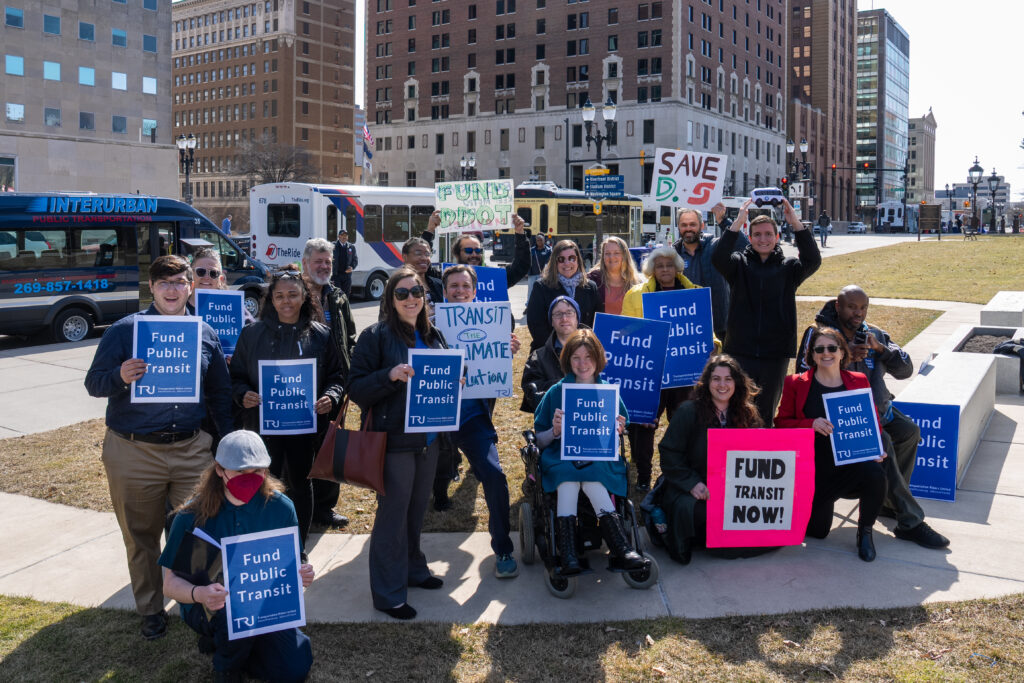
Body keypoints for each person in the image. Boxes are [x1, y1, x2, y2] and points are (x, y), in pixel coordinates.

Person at [84, 254, 233, 640]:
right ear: (150, 287)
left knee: (199, 531)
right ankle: (151, 608)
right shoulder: (124, 330)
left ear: (191, 287)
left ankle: (198, 603)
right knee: (141, 535)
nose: (172, 289)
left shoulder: (205, 333)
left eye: (180, 281)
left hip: (190, 449)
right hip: (134, 451)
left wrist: (227, 443)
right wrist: (119, 376)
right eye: (163, 282)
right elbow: (94, 383)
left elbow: (219, 394)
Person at [798, 285, 949, 549]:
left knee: (909, 431)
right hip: (844, 418)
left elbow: (905, 370)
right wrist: (840, 360)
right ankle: (911, 521)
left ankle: (888, 503)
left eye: (863, 307)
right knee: (883, 443)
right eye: (851, 307)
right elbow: (803, 375)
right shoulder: (820, 335)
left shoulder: (873, 333)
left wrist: (882, 350)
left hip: (881, 410)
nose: (858, 313)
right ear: (838, 306)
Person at [159, 430, 314, 682]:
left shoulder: (280, 508)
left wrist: (302, 572)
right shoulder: (191, 516)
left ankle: (237, 644)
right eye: (241, 471)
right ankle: (226, 667)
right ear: (219, 470)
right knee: (236, 613)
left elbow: (291, 562)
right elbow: (170, 584)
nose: (251, 478)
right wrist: (200, 595)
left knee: (293, 669)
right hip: (210, 604)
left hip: (263, 605)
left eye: (258, 470)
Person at [348, 266, 449, 620]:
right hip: (394, 441)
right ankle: (388, 594)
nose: (411, 299)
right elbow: (357, 388)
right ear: (390, 300)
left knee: (415, 512)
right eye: (402, 293)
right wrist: (389, 376)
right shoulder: (374, 336)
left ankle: (413, 570)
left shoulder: (434, 335)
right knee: (392, 517)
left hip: (429, 440)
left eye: (416, 292)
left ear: (425, 297)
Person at [229, 268, 346, 549]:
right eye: (279, 295)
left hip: (304, 428)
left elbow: (337, 377)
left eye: (293, 294)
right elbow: (235, 377)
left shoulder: (320, 335)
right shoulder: (251, 334)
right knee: (262, 485)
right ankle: (265, 545)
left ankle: (299, 547)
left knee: (300, 486)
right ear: (271, 299)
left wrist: (331, 395)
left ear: (304, 297)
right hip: (262, 426)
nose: (286, 301)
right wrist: (243, 394)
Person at [533, 330, 644, 575]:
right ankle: (569, 551)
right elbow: (538, 440)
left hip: (598, 457)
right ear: (567, 360)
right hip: (561, 456)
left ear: (598, 359)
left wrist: (617, 430)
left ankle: (620, 547)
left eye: (588, 357)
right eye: (576, 358)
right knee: (568, 478)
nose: (582, 364)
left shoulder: (608, 392)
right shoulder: (556, 392)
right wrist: (554, 430)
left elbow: (620, 434)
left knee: (592, 476)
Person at [435, 264, 521, 578]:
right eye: (453, 287)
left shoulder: (491, 322)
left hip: (471, 419)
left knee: (495, 476)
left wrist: (506, 350)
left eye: (464, 287)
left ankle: (503, 549)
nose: (459, 292)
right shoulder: (429, 324)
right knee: (410, 486)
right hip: (432, 418)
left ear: (474, 291)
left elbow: (491, 362)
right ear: (444, 291)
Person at [775, 325, 887, 562]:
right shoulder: (796, 383)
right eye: (820, 349)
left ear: (842, 352)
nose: (827, 353)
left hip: (848, 465)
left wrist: (875, 448)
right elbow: (781, 423)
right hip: (815, 470)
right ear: (812, 355)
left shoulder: (858, 380)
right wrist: (810, 424)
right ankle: (813, 506)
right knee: (818, 532)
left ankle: (865, 532)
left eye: (832, 347)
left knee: (875, 472)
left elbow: (871, 419)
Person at [712, 199, 821, 426]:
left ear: (777, 237)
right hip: (741, 351)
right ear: (750, 238)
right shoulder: (738, 264)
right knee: (736, 409)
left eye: (769, 234)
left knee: (765, 413)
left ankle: (760, 455)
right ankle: (735, 455)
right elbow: (718, 258)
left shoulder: (789, 268)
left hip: (775, 354)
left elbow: (813, 260)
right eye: (758, 234)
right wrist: (737, 224)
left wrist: (796, 223)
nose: (763, 239)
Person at [621, 246, 722, 490]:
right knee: (644, 424)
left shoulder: (695, 293)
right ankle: (643, 474)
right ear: (652, 269)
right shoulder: (635, 295)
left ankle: (684, 470)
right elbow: (626, 332)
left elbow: (706, 333)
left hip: (683, 372)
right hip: (650, 371)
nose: (665, 269)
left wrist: (714, 346)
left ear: (677, 267)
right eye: (659, 265)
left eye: (669, 265)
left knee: (685, 422)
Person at [658, 355, 764, 564]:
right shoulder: (688, 411)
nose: (722, 385)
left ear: (737, 383)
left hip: (734, 489)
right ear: (707, 383)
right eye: (716, 379)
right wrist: (692, 483)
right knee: (705, 514)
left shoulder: (747, 413)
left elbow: (759, 453)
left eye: (728, 379)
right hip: (692, 486)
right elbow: (670, 453)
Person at [301, 238, 357, 531]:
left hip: (335, 385)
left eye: (328, 262)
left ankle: (325, 508)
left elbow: (349, 338)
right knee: (300, 451)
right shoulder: (291, 294)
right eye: (318, 261)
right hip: (300, 385)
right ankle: (301, 509)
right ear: (305, 264)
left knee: (331, 447)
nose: (324, 267)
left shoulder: (338, 297)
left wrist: (350, 377)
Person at [673, 204, 748, 342]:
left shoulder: (716, 246)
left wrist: (723, 220)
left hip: (719, 326)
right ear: (678, 227)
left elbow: (744, 246)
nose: (688, 229)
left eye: (692, 224)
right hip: (687, 327)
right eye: (684, 225)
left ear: (702, 226)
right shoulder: (672, 254)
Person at [421, 210, 531, 290]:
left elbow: (521, 266)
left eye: (478, 251)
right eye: (468, 250)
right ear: (457, 253)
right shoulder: (446, 278)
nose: (474, 254)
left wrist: (520, 233)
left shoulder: (493, 276)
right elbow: (424, 269)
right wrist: (430, 230)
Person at [525, 239, 600, 352]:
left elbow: (596, 323)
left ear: (578, 260)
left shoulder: (591, 287)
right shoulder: (541, 287)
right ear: (555, 262)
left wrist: (582, 348)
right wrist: (562, 349)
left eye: (572, 258)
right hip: (550, 353)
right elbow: (536, 325)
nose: (567, 263)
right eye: (561, 259)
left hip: (583, 353)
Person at [520, 295, 582, 413]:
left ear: (577, 318)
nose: (564, 318)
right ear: (552, 321)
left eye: (569, 313)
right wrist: (564, 385)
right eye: (558, 314)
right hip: (552, 423)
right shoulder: (537, 357)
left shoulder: (596, 352)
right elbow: (532, 393)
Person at [587, 236, 643, 316]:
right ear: (603, 257)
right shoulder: (592, 280)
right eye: (607, 253)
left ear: (624, 255)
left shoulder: (636, 283)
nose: (611, 257)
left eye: (616, 253)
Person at [331, 229, 358, 297]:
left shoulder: (351, 247)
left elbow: (355, 260)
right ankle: (338, 308)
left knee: (346, 295)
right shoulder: (333, 246)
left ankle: (345, 307)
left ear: (347, 237)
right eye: (342, 235)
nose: (344, 237)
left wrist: (352, 267)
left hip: (347, 275)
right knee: (337, 295)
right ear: (338, 236)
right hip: (336, 275)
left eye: (346, 235)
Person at [527, 233, 551, 303]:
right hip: (532, 274)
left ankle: (543, 304)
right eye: (538, 240)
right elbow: (528, 261)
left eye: (541, 240)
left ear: (544, 240)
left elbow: (548, 262)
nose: (539, 242)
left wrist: (544, 272)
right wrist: (527, 271)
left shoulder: (548, 250)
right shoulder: (532, 250)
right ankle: (528, 305)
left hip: (543, 275)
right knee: (531, 290)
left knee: (543, 291)